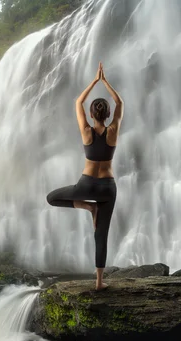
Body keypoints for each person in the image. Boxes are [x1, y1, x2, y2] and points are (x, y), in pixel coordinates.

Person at [46, 62, 124, 291]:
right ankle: (99, 282)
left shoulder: (86, 131)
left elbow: (78, 101)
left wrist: (94, 81)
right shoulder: (113, 130)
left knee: (52, 197)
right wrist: (106, 82)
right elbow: (120, 102)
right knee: (102, 235)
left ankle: (89, 208)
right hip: (108, 187)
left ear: (91, 114)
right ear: (109, 114)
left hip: (86, 186)